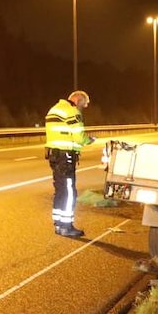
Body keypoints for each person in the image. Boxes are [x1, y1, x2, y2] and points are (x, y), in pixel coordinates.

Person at [44, 90, 95, 237]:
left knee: (60, 191)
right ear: (78, 100)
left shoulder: (54, 109)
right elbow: (79, 137)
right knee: (69, 192)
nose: (82, 108)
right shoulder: (72, 111)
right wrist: (89, 140)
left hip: (54, 155)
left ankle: (59, 224)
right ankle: (66, 226)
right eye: (83, 105)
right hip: (65, 156)